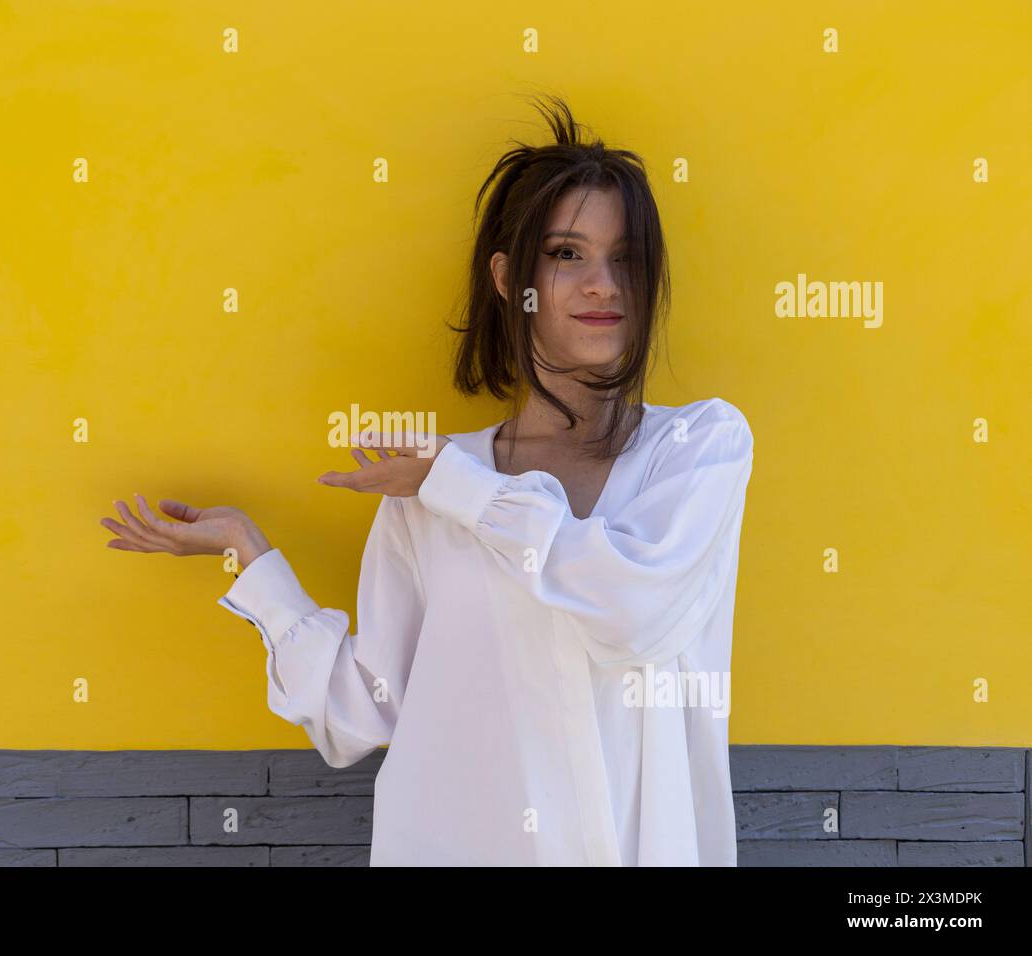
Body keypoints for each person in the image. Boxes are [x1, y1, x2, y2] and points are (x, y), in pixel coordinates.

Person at [100, 95, 754, 866]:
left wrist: (460, 488)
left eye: (626, 260)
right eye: (568, 254)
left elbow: (630, 610)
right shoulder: (430, 489)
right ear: (512, 280)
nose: (603, 285)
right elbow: (362, 713)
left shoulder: (698, 447)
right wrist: (251, 556)